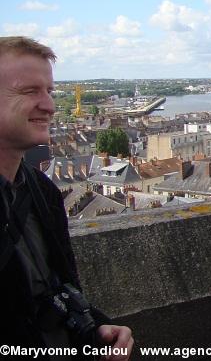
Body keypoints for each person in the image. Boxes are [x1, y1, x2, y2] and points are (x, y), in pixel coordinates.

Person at [0, 37, 134, 360]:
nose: (48, 105)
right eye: (30, 91)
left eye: (49, 91)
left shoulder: (43, 193)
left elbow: (58, 288)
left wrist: (97, 327)